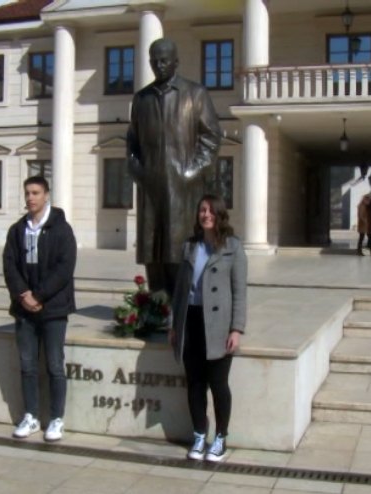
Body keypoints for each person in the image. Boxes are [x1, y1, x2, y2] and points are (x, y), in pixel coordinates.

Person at [127, 38, 222, 297]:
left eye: (164, 60)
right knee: (152, 247)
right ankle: (157, 305)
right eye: (154, 60)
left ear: (176, 62)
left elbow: (211, 138)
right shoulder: (141, 99)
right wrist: (137, 170)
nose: (159, 65)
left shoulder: (195, 93)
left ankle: (181, 305)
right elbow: (132, 142)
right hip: (150, 186)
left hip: (184, 187)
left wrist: (191, 173)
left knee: (179, 247)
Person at [169, 194, 247, 462]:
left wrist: (236, 329)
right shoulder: (190, 246)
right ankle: (200, 434)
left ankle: (221, 437)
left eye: (211, 210)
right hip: (190, 320)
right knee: (194, 383)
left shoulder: (233, 247)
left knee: (218, 383)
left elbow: (239, 292)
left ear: (220, 214)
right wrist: (173, 324)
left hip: (218, 326)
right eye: (202, 210)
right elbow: (180, 291)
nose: (206, 215)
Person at [2, 176, 77, 442]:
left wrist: (40, 295)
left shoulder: (61, 229)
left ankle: (56, 419)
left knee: (55, 365)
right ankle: (31, 416)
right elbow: (10, 265)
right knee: (27, 365)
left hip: (53, 309)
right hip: (24, 310)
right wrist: (23, 295)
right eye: (27, 193)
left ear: (47, 195)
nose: (30, 198)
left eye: (35, 192)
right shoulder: (17, 230)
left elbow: (64, 268)